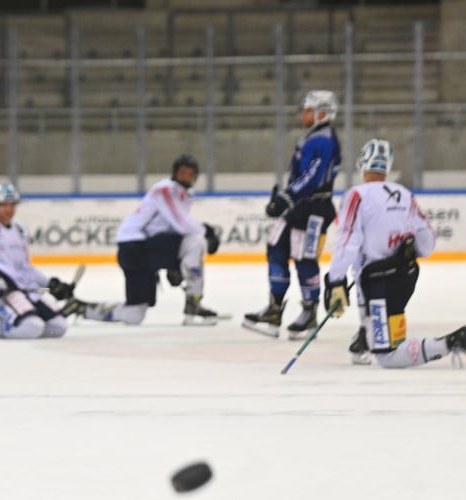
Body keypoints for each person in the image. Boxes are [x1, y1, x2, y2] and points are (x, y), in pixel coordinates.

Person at [323, 138, 466, 368]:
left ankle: (451, 342)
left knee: (387, 356)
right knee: (381, 307)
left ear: (362, 164)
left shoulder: (356, 195)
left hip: (379, 283)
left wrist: (335, 279)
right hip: (405, 277)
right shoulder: (404, 193)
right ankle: (366, 333)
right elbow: (426, 243)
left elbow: (347, 241)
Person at [62, 154, 221, 326]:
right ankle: (193, 303)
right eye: (182, 173)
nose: (186, 177)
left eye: (190, 174)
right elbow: (181, 223)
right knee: (197, 240)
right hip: (136, 248)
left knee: (134, 314)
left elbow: (170, 227)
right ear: (174, 173)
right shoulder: (166, 189)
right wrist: (207, 231)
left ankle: (81, 308)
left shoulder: (184, 193)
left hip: (143, 249)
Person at [243, 89, 342, 339]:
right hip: (300, 206)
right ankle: (274, 310)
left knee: (304, 258)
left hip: (313, 209)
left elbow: (313, 177)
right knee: (276, 248)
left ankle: (309, 314)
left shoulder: (324, 139)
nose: (303, 114)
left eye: (307, 110)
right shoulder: (313, 136)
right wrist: (286, 196)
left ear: (322, 113)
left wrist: (286, 197)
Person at [0, 182, 77, 339]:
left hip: (25, 291)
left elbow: (25, 268)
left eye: (12, 204)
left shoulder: (19, 230)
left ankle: (16, 322)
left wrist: (50, 284)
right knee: (32, 327)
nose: (9, 209)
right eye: (4, 204)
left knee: (58, 327)